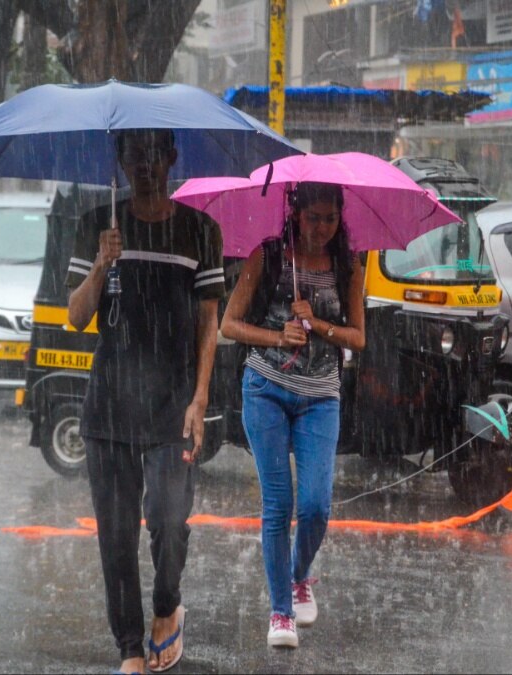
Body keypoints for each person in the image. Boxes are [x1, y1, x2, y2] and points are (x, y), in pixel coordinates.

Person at [66, 129, 224, 674]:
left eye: (156, 154)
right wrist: (101, 265)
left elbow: (210, 321)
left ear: (172, 158)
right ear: (121, 161)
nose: (146, 165)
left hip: (173, 404)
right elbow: (77, 316)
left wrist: (200, 397)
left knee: (167, 516)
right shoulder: (96, 224)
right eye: (135, 155)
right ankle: (129, 647)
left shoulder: (199, 229)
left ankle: (167, 603)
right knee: (115, 534)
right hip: (108, 404)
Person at [219, 182, 366, 649]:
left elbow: (358, 338)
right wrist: (279, 337)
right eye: (312, 217)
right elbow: (229, 324)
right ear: (294, 213)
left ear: (340, 217)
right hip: (265, 389)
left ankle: (299, 575)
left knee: (317, 507)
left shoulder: (348, 265)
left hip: (320, 397)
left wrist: (318, 324)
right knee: (278, 505)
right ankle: (281, 611)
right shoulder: (268, 256)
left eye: (329, 218)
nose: (320, 228)